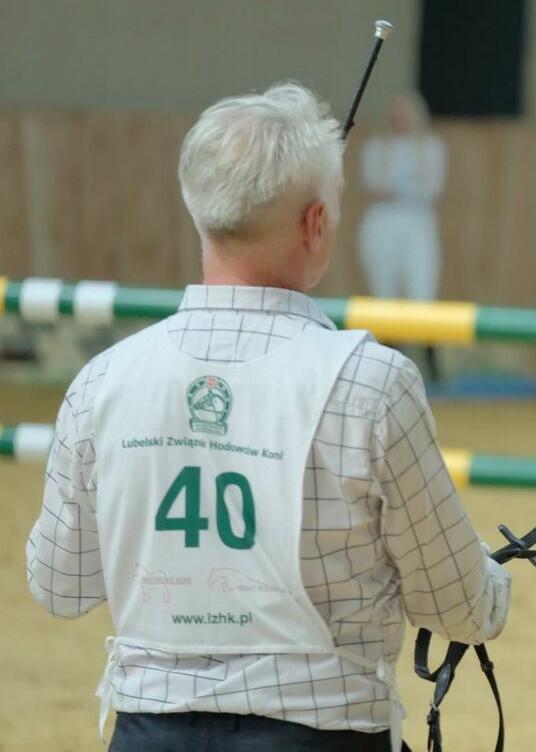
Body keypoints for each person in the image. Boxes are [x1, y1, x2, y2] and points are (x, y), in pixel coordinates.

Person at [25, 83, 509, 752]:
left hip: (146, 732)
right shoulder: (374, 382)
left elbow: (59, 584)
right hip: (321, 731)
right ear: (314, 224)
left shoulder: (102, 381)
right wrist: (486, 575)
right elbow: (458, 606)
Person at [359, 92, 447, 379]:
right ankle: (388, 364)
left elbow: (432, 188)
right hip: (383, 221)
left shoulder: (432, 147)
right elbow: (373, 186)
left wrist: (400, 189)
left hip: (417, 220)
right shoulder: (376, 148)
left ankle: (432, 366)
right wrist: (404, 188)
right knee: (384, 292)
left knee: (423, 289)